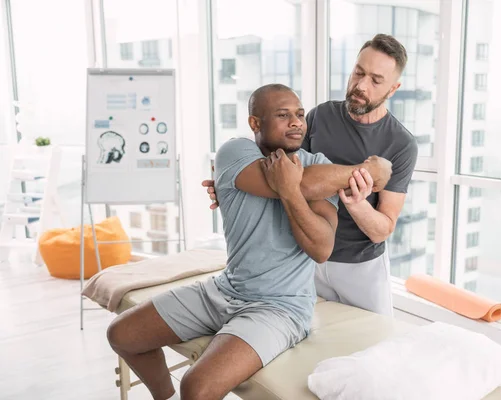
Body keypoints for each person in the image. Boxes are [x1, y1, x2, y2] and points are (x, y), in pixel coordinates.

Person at [106, 83, 392, 400]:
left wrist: (290, 190)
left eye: (299, 114)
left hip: (281, 307)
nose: (297, 122)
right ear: (255, 123)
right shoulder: (235, 152)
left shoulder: (317, 164)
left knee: (197, 387)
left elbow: (321, 249)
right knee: (122, 334)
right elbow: (288, 182)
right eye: (283, 115)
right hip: (226, 288)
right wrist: (367, 170)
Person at [203, 34, 418, 317]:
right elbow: (284, 176)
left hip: (360, 267)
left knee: (374, 352)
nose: (361, 85)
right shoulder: (321, 116)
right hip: (304, 258)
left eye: (376, 80)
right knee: (307, 352)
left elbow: (382, 229)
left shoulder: (401, 144)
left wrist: (355, 203)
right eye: (359, 72)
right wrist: (233, 182)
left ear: (393, 89)